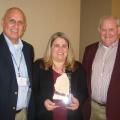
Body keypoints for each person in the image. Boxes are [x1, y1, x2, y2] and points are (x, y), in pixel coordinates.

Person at [33, 32, 88, 120]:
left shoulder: (77, 67)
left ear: (68, 48)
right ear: (51, 48)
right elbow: (33, 90)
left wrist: (78, 101)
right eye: (56, 45)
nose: (60, 49)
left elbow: (84, 90)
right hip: (45, 115)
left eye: (64, 46)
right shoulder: (39, 66)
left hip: (72, 116)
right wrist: (43, 101)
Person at [82, 16, 120, 120]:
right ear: (99, 30)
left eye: (111, 29)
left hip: (115, 111)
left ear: (118, 29)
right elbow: (83, 78)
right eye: (104, 30)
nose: (107, 34)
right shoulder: (89, 50)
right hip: (91, 109)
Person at [0, 7, 34, 120]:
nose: (16, 26)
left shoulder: (28, 49)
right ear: (2, 21)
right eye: (12, 21)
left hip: (24, 113)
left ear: (24, 27)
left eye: (20, 22)